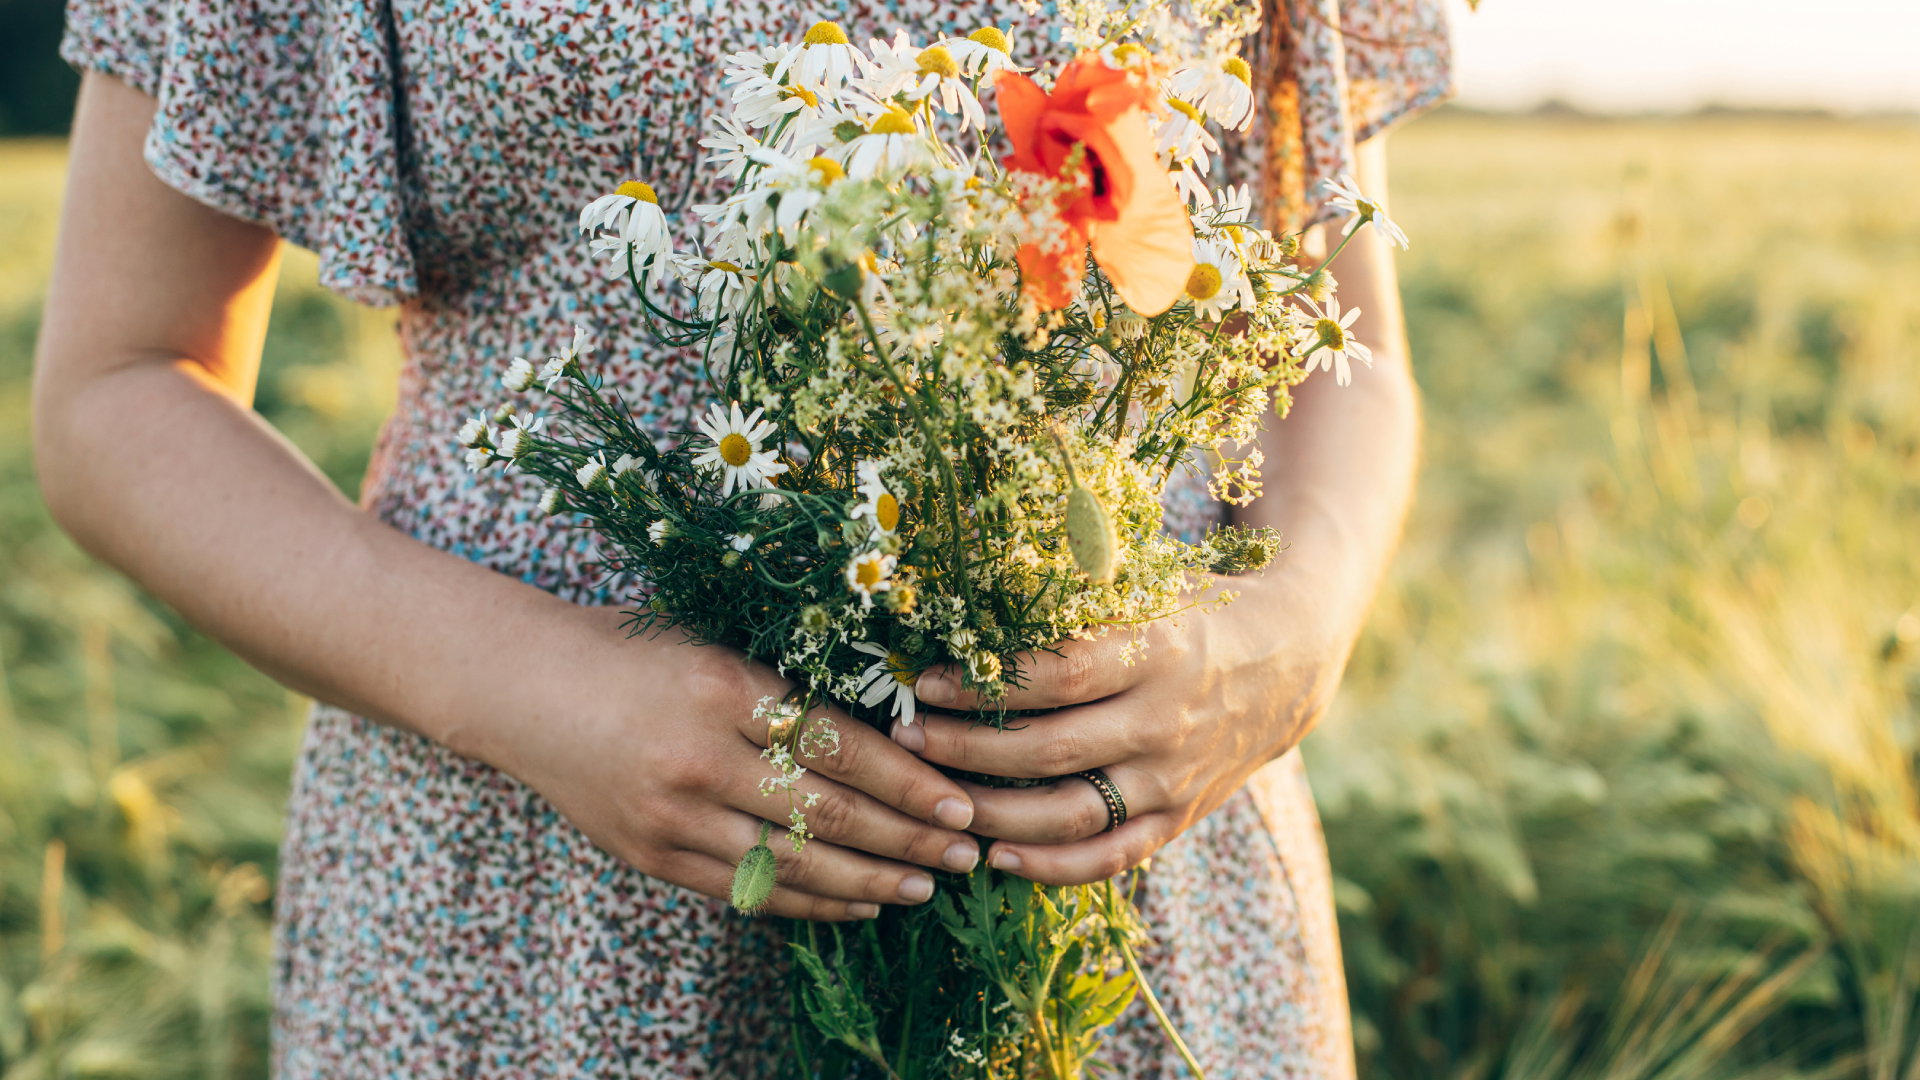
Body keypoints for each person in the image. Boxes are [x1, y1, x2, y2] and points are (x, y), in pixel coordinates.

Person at [34, 0, 1448, 1074]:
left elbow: (1337, 346)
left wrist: (1282, 641)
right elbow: (119, 385)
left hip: (1121, 907)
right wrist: (537, 688)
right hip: (524, 910)